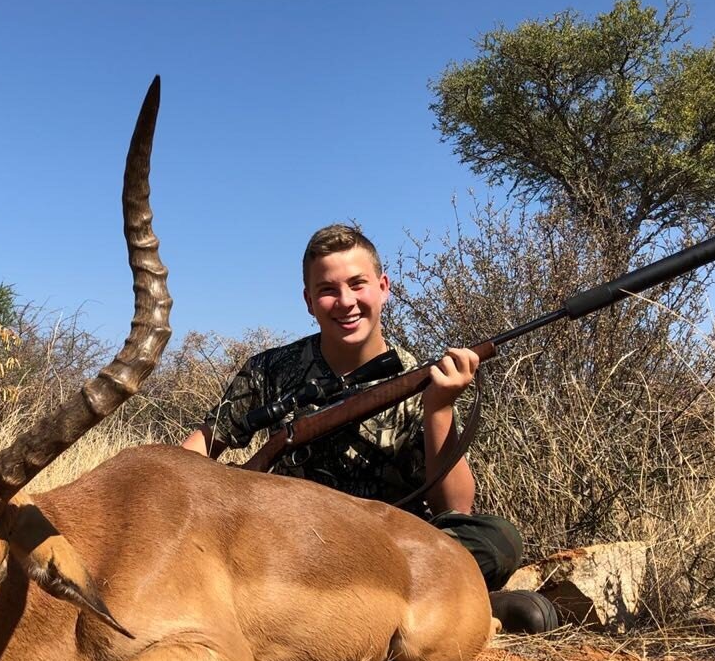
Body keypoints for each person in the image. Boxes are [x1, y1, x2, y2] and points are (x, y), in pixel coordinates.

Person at [182, 224, 557, 634]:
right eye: (327, 290)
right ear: (309, 301)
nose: (345, 302)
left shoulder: (420, 377)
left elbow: (456, 507)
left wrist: (440, 409)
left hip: (387, 548)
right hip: (288, 545)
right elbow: (204, 442)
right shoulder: (268, 370)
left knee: (496, 539)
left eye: (357, 284)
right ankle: (442, 609)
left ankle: (367, 611)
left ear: (383, 287)